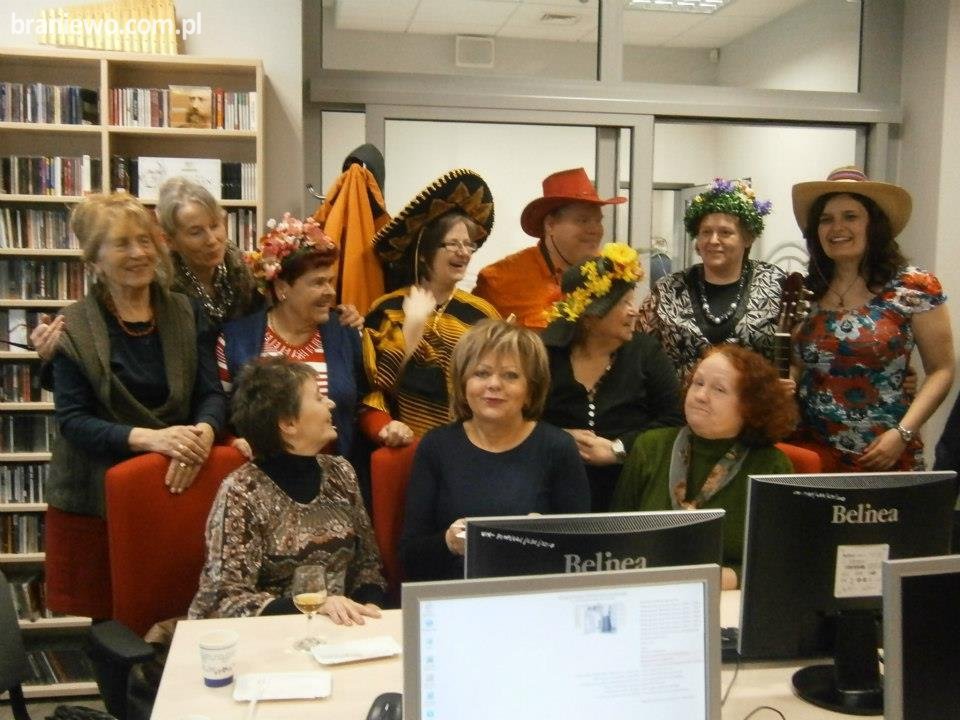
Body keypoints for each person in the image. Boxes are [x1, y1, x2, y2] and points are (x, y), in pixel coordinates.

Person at [45, 193, 227, 619]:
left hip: (177, 486)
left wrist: (203, 433)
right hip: (97, 498)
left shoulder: (185, 311)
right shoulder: (72, 327)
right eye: (122, 243)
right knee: (114, 624)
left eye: (145, 240)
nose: (139, 253)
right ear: (94, 260)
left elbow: (211, 393)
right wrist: (154, 439)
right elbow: (73, 422)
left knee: (183, 610)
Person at [189, 357, 386, 622]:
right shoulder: (242, 491)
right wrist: (316, 606)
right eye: (319, 398)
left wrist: (369, 609)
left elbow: (368, 565)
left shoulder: (341, 473)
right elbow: (225, 599)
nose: (331, 403)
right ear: (288, 423)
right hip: (270, 636)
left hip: (341, 629)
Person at [400, 319, 590, 581]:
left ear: (531, 390)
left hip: (533, 591)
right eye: (481, 373)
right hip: (456, 593)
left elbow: (584, 552)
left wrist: (549, 539)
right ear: (463, 383)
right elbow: (410, 556)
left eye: (510, 375)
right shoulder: (436, 446)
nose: (494, 384)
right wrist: (448, 542)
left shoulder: (558, 447)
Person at [790, 166, 954, 471]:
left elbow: (942, 370)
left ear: (874, 225)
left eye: (850, 216)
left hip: (886, 455)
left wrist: (902, 433)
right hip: (813, 455)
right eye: (826, 219)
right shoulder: (805, 291)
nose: (837, 227)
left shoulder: (915, 287)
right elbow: (798, 366)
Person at [612, 345, 797, 589]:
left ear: (751, 406)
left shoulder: (771, 466)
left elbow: (779, 562)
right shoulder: (650, 447)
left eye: (719, 389)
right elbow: (616, 537)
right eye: (697, 383)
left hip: (728, 595)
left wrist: (719, 579)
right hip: (647, 589)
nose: (700, 395)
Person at [217, 213, 372, 465]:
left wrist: (384, 427)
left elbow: (364, 404)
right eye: (318, 283)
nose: (330, 292)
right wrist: (231, 442)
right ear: (282, 288)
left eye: (330, 281)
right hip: (260, 477)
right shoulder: (235, 341)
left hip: (335, 475)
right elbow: (221, 413)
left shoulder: (345, 330)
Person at [541, 243, 683, 511]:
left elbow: (675, 419)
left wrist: (619, 449)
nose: (634, 311)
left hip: (631, 493)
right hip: (555, 493)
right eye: (623, 303)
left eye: (632, 300)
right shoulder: (547, 356)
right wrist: (558, 438)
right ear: (589, 317)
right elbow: (519, 418)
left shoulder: (646, 352)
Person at [363, 169, 500, 445]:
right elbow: (377, 388)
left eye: (469, 245)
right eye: (453, 244)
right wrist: (410, 330)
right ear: (424, 254)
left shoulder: (482, 314)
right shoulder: (387, 309)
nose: (464, 252)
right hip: (404, 446)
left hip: (471, 445)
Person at [639, 178, 782, 381]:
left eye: (725, 232)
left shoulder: (775, 284)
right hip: (680, 400)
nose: (713, 240)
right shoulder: (667, 290)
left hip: (753, 400)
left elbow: (798, 354)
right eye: (706, 232)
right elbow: (639, 352)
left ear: (748, 238)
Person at [473, 167, 625, 330]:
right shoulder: (499, 281)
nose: (595, 230)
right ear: (550, 225)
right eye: (583, 220)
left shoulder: (611, 273)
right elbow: (475, 342)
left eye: (598, 221)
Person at [156, 176, 261, 324]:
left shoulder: (238, 266)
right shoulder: (163, 286)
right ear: (170, 241)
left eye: (214, 226)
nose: (211, 240)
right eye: (196, 232)